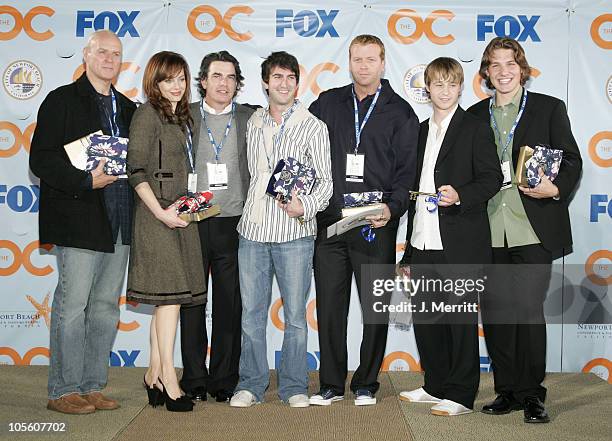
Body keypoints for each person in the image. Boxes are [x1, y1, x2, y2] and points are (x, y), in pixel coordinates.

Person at [467, 37, 582, 423]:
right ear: (486, 72)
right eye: (495, 65)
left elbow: (572, 160)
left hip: (532, 229)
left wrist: (557, 188)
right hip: (487, 230)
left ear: (522, 68)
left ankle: (533, 394)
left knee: (528, 313)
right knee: (497, 314)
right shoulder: (473, 115)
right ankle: (508, 391)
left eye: (510, 64)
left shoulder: (549, 108)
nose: (503, 71)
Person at [308, 34, 418, 406]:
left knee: (375, 311)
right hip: (331, 222)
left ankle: (367, 382)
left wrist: (394, 207)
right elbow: (301, 147)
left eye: (371, 59)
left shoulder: (401, 111)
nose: (364, 66)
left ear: (383, 63)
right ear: (349, 62)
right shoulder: (327, 103)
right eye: (358, 59)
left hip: (376, 223)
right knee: (330, 308)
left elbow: (408, 173)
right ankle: (331, 384)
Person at [30, 30, 136, 414]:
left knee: (106, 307)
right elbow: (40, 160)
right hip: (79, 219)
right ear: (86, 55)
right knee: (72, 306)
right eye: (103, 52)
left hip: (120, 222)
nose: (110, 59)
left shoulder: (128, 107)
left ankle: (93, 386)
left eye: (116, 54)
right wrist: (84, 180)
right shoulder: (61, 101)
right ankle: (63, 389)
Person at [397, 57, 502, 416]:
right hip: (424, 239)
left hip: (460, 240)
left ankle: (460, 394)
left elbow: (490, 179)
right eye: (437, 84)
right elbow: (416, 190)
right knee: (427, 319)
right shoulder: (421, 130)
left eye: (451, 84)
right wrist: (409, 252)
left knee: (458, 321)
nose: (444, 91)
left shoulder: (475, 127)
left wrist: (460, 194)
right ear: (427, 89)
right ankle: (435, 384)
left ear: (461, 87)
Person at [229, 51, 332, 408]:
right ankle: (251, 384)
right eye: (277, 77)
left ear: (297, 82)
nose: (283, 83)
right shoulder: (253, 122)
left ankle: (293, 386)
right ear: (265, 83)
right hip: (253, 232)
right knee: (251, 315)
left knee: (295, 317)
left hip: (294, 234)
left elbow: (325, 183)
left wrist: (306, 205)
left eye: (290, 77)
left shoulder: (313, 126)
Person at [127, 51, 207, 412]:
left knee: (168, 299)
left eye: (181, 78)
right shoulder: (147, 114)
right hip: (156, 216)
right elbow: (136, 170)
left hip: (182, 214)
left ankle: (154, 374)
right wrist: (160, 212)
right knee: (170, 299)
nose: (177, 86)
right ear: (155, 82)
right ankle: (169, 380)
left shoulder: (184, 117)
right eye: (169, 79)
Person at [179, 51, 256, 403]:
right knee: (192, 303)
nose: (224, 83)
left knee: (230, 305)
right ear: (203, 81)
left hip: (234, 223)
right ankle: (194, 378)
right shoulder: (183, 115)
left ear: (238, 83)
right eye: (217, 76)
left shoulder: (251, 117)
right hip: (191, 221)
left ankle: (224, 379)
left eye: (230, 77)